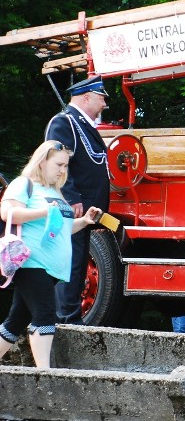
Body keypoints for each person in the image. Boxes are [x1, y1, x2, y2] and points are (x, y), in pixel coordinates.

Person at [0, 141, 102, 367]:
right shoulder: (23, 184)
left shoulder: (54, 191)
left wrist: (83, 222)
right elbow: (8, 213)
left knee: (16, 321)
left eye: (66, 166)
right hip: (31, 262)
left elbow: (61, 227)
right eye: (59, 164)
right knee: (45, 315)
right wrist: (44, 211)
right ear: (42, 161)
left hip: (52, 268)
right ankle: (45, 375)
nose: (63, 170)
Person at [45, 75, 111, 324]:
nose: (104, 103)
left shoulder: (82, 123)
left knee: (78, 261)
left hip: (86, 206)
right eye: (101, 98)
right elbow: (58, 164)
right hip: (74, 205)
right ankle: (66, 318)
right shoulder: (64, 122)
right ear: (87, 97)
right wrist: (71, 197)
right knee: (70, 263)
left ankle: (70, 317)